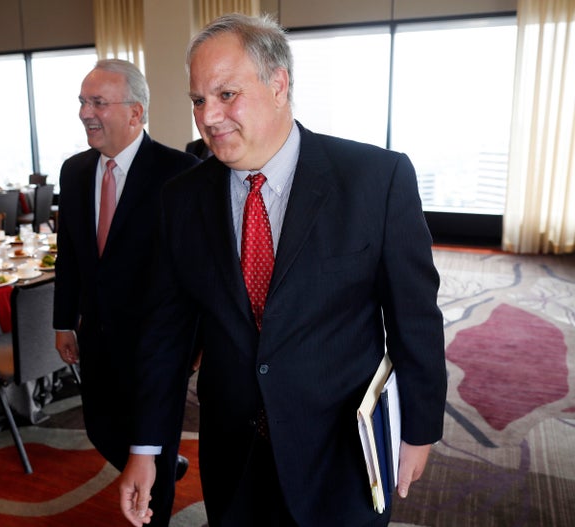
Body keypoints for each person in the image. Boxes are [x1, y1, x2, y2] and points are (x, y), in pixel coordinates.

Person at [119, 13, 447, 527]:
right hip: (233, 448)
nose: (208, 117)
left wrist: (419, 429)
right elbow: (166, 334)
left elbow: (416, 320)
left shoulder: (375, 180)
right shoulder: (180, 199)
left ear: (278, 84)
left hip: (341, 451)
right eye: (198, 100)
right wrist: (144, 447)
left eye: (226, 94)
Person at [53, 59, 201, 527]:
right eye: (82, 101)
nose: (84, 112)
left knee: (152, 435)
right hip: (95, 334)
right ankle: (163, 467)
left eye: (98, 102)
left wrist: (196, 343)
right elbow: (69, 254)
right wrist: (63, 319)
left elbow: (195, 271)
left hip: (159, 343)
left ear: (136, 113)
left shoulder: (181, 173)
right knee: (100, 429)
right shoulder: (75, 171)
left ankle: (152, 511)